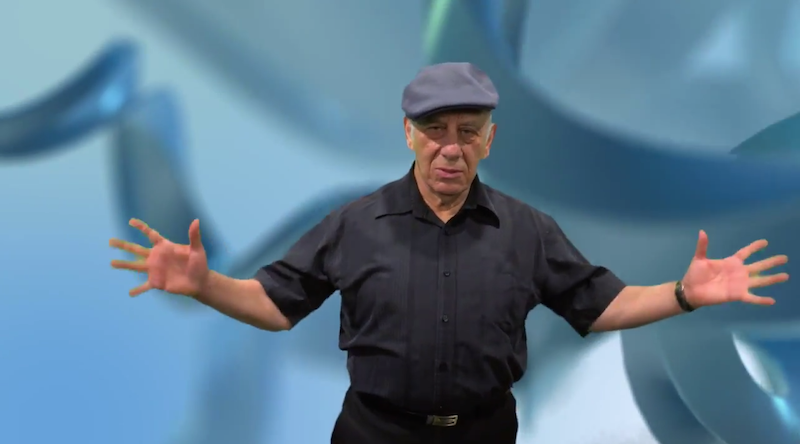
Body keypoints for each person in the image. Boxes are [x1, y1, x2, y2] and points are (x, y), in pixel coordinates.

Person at [109, 62, 790, 444]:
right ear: (410, 134)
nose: (450, 147)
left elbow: (602, 304)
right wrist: (203, 286)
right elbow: (271, 304)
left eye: (468, 130)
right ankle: (131, 116)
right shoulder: (355, 224)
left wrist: (686, 293)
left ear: (488, 139)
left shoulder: (530, 231)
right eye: (434, 130)